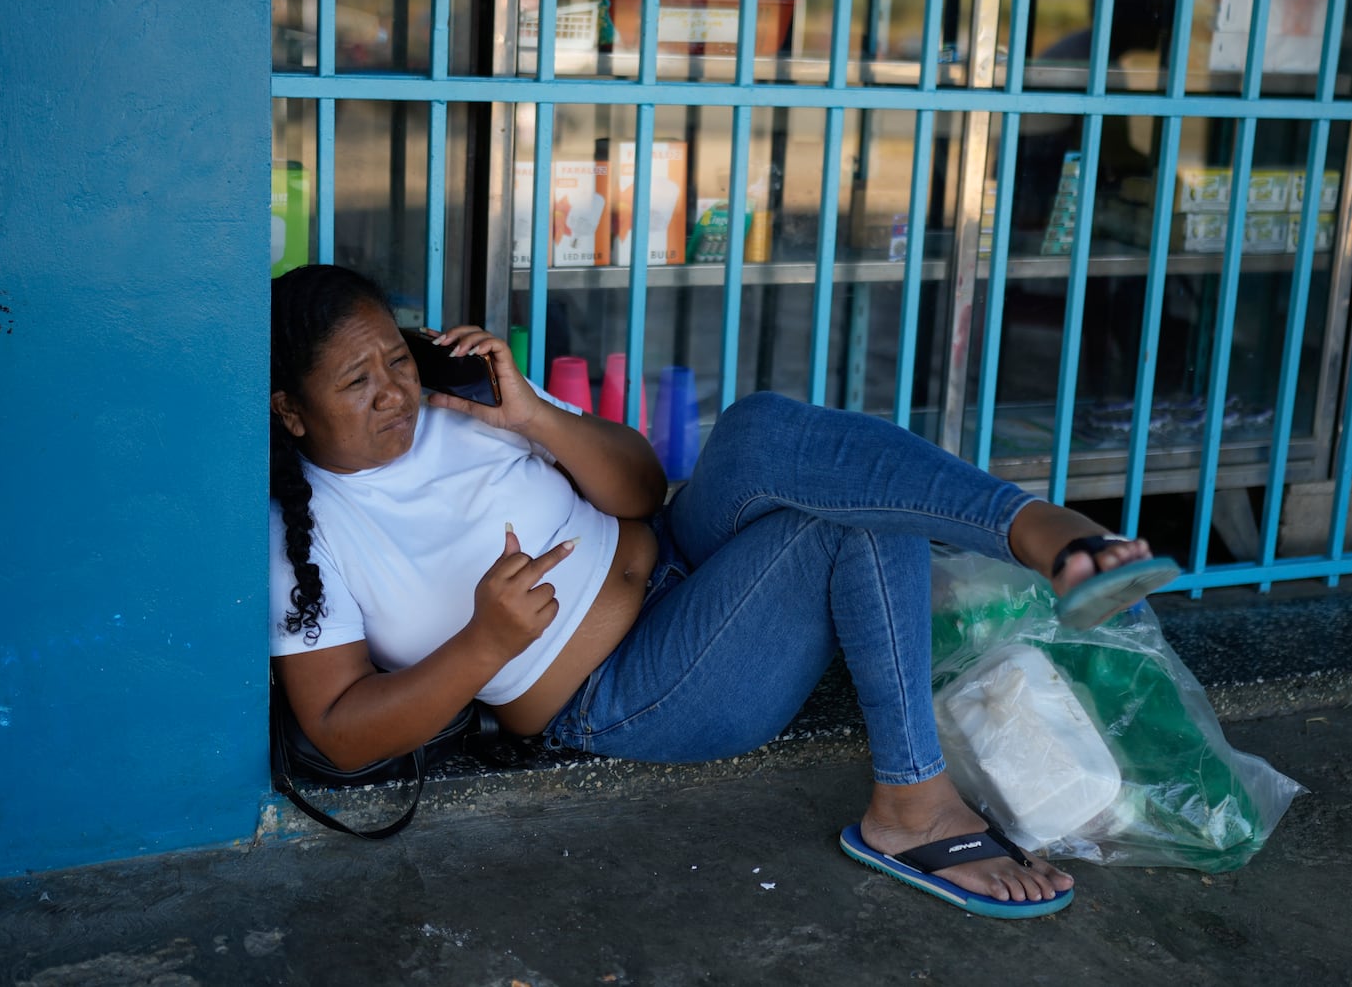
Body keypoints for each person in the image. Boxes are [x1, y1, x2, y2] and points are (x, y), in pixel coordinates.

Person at [269, 263, 1179, 919]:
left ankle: (1037, 527)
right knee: (848, 511)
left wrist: (535, 415)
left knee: (759, 426)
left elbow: (635, 487)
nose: (394, 390)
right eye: (358, 380)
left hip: (671, 550)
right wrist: (483, 643)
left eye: (394, 356)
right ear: (290, 408)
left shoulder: (460, 400)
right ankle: (912, 803)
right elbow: (340, 730)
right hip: (625, 687)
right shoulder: (304, 534)